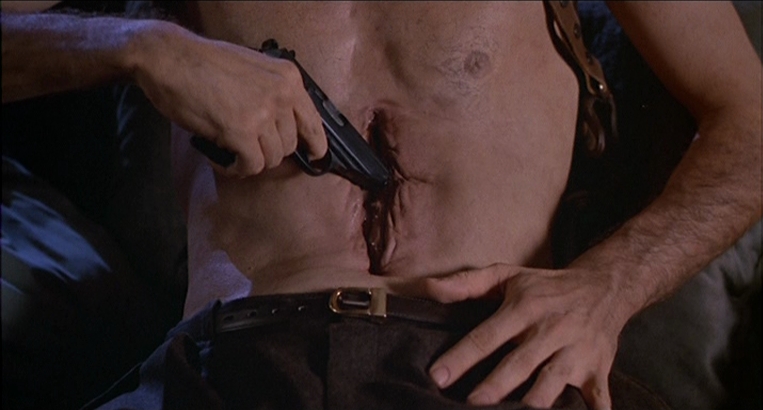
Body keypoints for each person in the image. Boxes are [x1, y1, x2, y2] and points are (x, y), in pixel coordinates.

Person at [2, 1, 761, 409]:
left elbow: (750, 122)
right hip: (235, 361)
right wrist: (141, 47)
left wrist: (609, 287)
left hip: (488, 365)